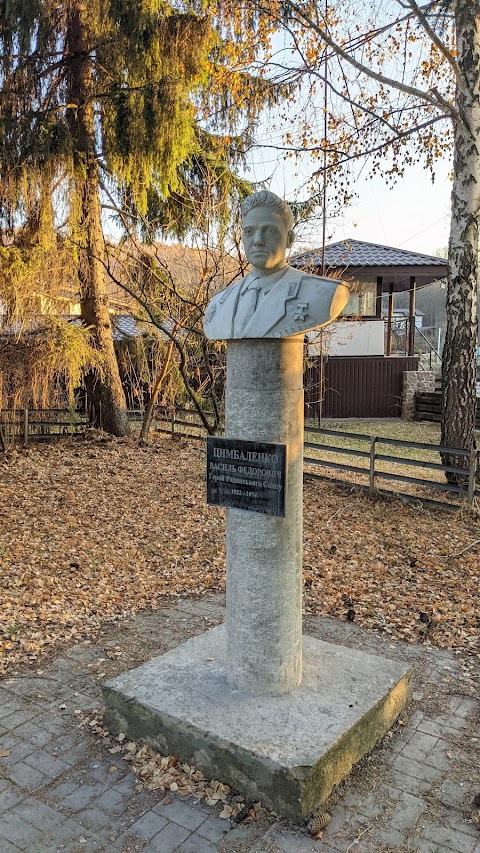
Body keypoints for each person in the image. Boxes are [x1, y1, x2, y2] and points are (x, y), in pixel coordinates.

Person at [203, 190, 349, 340]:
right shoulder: (220, 303)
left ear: (289, 239)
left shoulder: (324, 293)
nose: (257, 240)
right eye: (249, 232)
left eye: (270, 231)